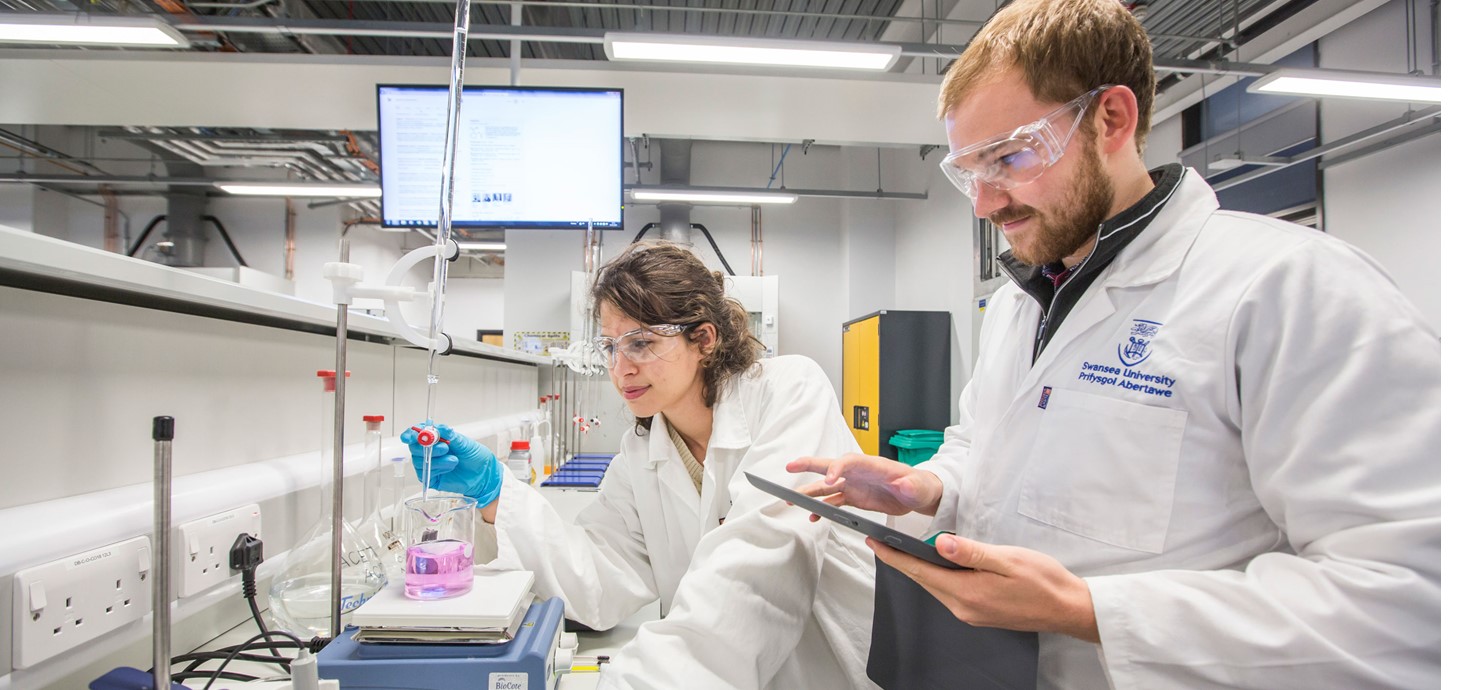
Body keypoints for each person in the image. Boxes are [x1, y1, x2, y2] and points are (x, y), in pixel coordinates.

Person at [788, 0, 1440, 687]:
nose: (984, 204)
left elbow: (1412, 597)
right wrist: (926, 486)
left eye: (1010, 156)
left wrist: (1092, 610)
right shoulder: (1019, 305)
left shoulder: (1290, 288)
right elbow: (986, 450)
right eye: (969, 172)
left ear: (1112, 120)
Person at [403, 241, 879, 689]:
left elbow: (759, 574)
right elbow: (598, 578)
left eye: (641, 343)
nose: (620, 368)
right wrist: (495, 495)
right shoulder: (642, 452)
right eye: (610, 346)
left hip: (826, 671)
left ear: (704, 339)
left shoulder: (788, 391)